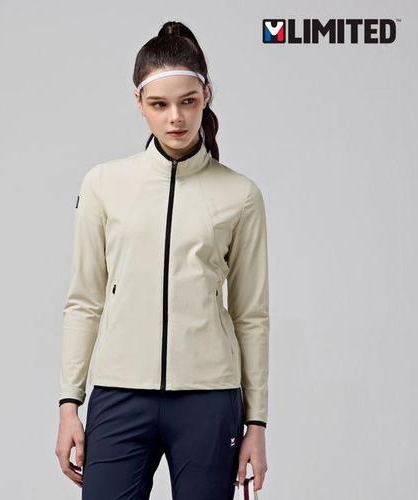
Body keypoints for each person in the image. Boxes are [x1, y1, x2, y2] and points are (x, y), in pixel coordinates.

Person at [55, 20, 269, 500]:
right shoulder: (103, 184)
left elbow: (251, 316)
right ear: (139, 102)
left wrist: (256, 423)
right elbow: (84, 300)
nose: (176, 117)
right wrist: (70, 403)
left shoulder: (240, 195)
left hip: (209, 400)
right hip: (119, 394)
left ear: (206, 95)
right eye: (159, 104)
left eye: (188, 101)